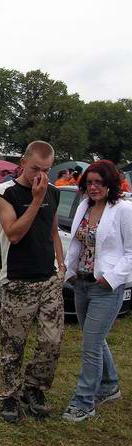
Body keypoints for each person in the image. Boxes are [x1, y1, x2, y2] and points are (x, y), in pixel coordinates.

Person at [0, 140, 65, 423]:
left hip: (48, 278)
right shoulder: (4, 193)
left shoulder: (54, 192)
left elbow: (54, 231)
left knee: (52, 340)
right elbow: (14, 234)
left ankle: (34, 389)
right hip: (18, 280)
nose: (41, 176)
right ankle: (10, 395)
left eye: (46, 170)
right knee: (14, 344)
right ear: (23, 163)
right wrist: (36, 200)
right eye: (36, 168)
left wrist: (61, 264)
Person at [61, 160, 132, 422]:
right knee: (95, 338)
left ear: (110, 184)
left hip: (106, 288)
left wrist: (110, 277)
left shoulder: (123, 210)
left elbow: (130, 253)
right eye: (89, 182)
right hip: (81, 283)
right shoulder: (84, 206)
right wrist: (67, 271)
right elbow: (77, 244)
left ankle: (84, 402)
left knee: (90, 344)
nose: (93, 187)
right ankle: (110, 386)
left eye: (99, 183)